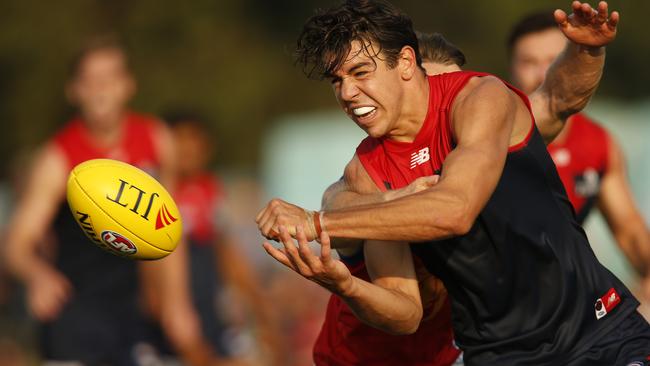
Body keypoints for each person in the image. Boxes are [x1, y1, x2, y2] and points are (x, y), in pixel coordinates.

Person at [257, 0, 650, 364]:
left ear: (407, 62)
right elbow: (405, 311)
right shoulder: (366, 171)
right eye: (336, 80)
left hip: (599, 331)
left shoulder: (479, 97)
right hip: (499, 355)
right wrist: (344, 285)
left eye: (360, 73)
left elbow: (455, 211)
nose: (347, 92)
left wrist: (318, 222)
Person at [3, 36, 210, 365]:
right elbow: (16, 242)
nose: (101, 89)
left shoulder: (155, 139)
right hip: (76, 313)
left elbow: (170, 232)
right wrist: (36, 274)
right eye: (91, 80)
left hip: (135, 314)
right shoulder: (59, 157)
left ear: (128, 85)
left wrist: (177, 303)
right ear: (75, 90)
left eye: (110, 78)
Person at [507, 9, 650, 308]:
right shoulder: (489, 137)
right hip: (496, 307)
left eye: (553, 61)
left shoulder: (598, 143)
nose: (542, 74)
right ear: (511, 70)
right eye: (529, 62)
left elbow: (629, 230)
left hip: (566, 307)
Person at [166, 112, 282, 365]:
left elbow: (227, 253)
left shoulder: (208, 190)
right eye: (180, 141)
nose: (188, 150)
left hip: (209, 313)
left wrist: (261, 309)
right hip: (171, 325)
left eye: (195, 142)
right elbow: (152, 280)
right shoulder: (153, 197)